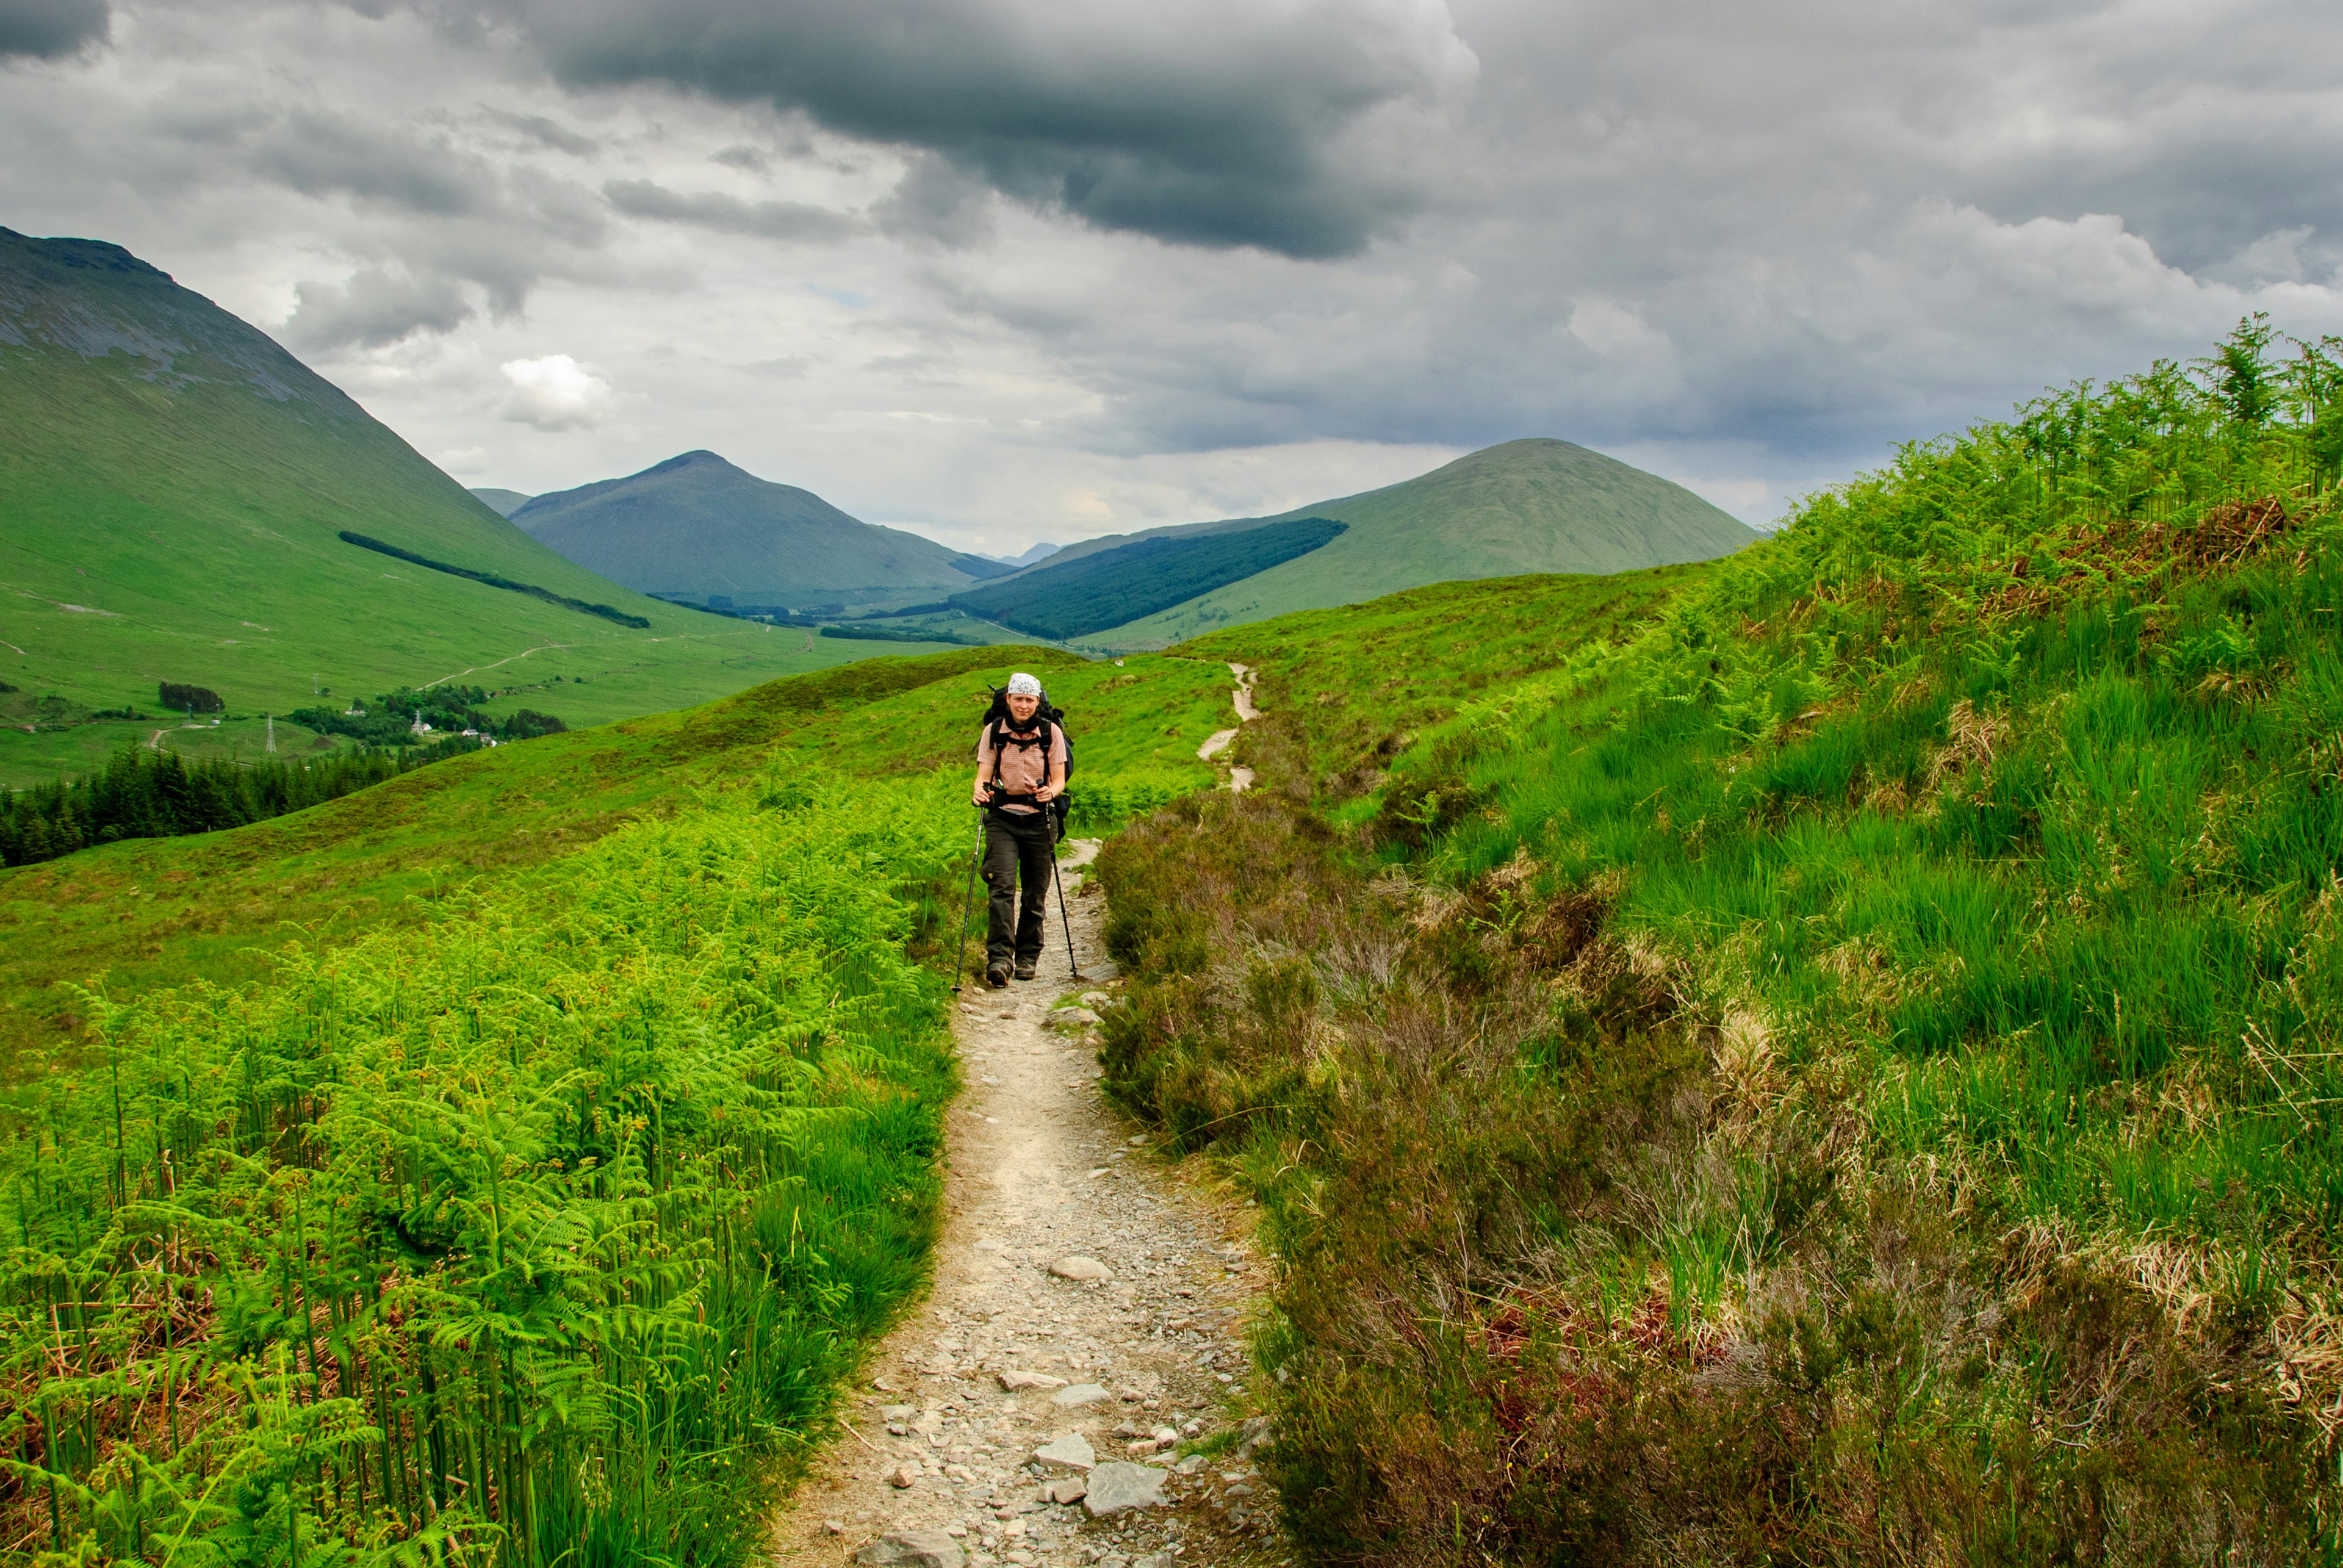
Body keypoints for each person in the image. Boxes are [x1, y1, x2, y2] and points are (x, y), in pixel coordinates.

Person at [972, 672, 1067, 987]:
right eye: (1018, 699)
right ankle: (1000, 959)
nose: (1023, 705)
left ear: (1037, 702)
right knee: (1001, 887)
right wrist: (980, 791)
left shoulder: (1050, 732)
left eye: (1029, 700)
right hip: (1002, 817)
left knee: (1035, 893)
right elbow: (983, 773)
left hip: (1040, 818)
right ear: (1008, 700)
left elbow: (1059, 779)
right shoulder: (993, 731)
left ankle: (1028, 957)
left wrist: (1050, 793)